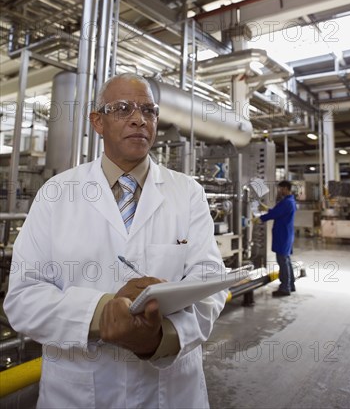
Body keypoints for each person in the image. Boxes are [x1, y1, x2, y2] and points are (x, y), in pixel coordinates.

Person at [4, 73, 227, 409]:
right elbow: (23, 298)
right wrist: (101, 313)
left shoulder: (188, 193)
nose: (139, 118)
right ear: (98, 122)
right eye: (123, 108)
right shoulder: (56, 194)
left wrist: (159, 337)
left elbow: (210, 283)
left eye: (148, 111)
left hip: (169, 393)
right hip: (77, 393)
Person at [256, 180, 297, 297]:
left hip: (283, 235)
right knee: (287, 260)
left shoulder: (287, 202)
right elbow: (277, 212)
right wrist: (267, 209)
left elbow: (275, 214)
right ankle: (291, 285)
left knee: (283, 261)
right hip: (286, 234)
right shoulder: (289, 201)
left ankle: (285, 288)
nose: (279, 191)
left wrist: (260, 218)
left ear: (285, 189)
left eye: (280, 189)